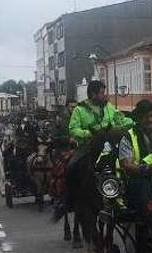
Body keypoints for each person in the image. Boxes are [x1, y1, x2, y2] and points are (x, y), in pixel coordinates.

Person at [53, 81, 132, 220]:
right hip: (87, 147)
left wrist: (129, 123)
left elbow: (121, 119)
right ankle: (68, 199)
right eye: (102, 93)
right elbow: (73, 129)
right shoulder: (80, 109)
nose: (104, 95)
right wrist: (88, 133)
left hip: (109, 146)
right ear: (93, 94)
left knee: (128, 165)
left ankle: (126, 198)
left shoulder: (109, 107)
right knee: (71, 167)